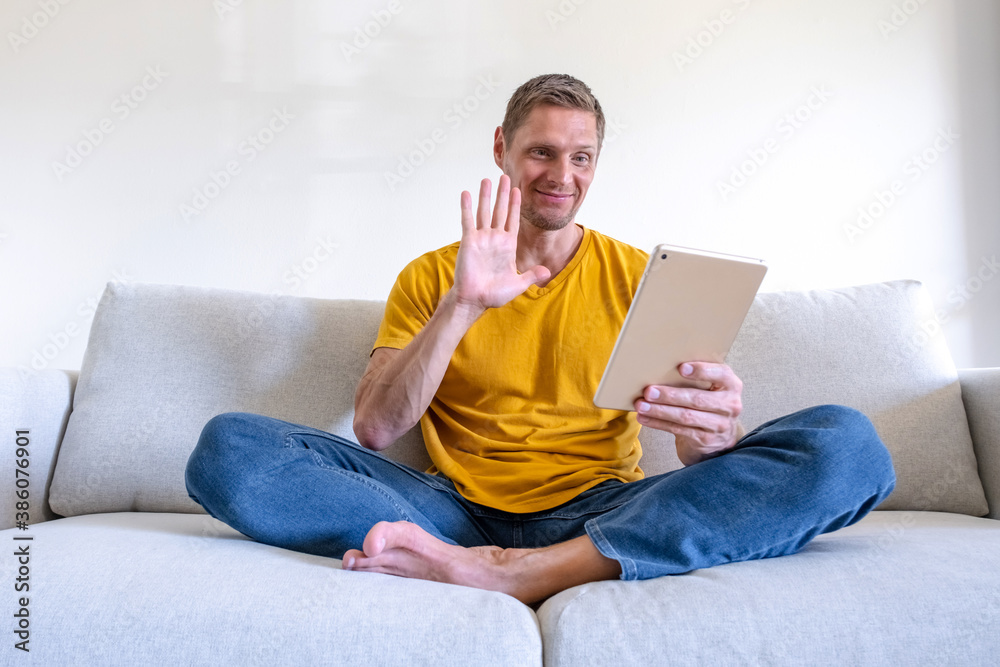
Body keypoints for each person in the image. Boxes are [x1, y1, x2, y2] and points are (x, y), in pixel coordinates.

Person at [185, 74, 896, 607]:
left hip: (605, 508)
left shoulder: (642, 277)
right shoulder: (432, 277)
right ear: (502, 149)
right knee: (228, 450)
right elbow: (376, 428)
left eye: (582, 157)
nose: (563, 177)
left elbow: (694, 441)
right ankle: (482, 556)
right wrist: (464, 303)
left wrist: (714, 438)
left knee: (848, 446)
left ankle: (530, 570)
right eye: (543, 153)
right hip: (452, 513)